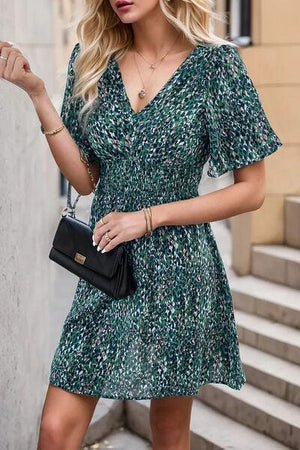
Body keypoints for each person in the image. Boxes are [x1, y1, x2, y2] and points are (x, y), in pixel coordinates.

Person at [0, 0, 283, 448]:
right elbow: (86, 179)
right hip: (107, 269)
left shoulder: (216, 66)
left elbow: (252, 190)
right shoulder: (92, 60)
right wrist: (38, 95)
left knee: (169, 433)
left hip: (180, 273)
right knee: (56, 428)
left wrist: (150, 218)